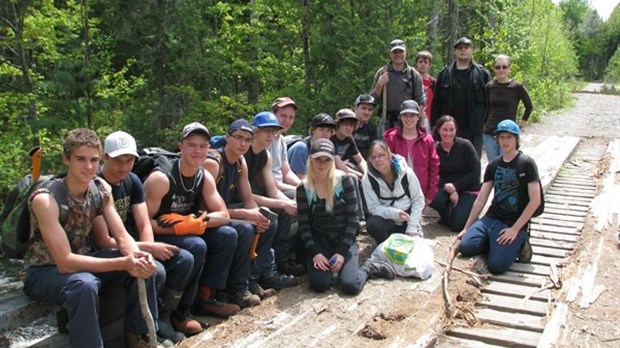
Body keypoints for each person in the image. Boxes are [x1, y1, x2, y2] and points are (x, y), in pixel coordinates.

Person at [23, 128, 159, 348]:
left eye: (94, 160)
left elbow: (122, 236)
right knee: (84, 285)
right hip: (44, 271)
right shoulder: (46, 200)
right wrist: (123, 262)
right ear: (66, 160)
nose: (89, 167)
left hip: (83, 263)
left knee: (148, 267)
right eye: (81, 159)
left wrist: (139, 257)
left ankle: (139, 336)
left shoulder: (100, 189)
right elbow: (65, 262)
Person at [93, 131, 196, 343]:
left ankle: (164, 319)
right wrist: (146, 251)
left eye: (129, 160)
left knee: (184, 259)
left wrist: (150, 247)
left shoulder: (132, 181)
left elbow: (143, 222)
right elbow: (104, 240)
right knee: (153, 270)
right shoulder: (96, 186)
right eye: (118, 161)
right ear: (105, 158)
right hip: (105, 251)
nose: (124, 166)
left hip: (133, 243)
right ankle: (141, 334)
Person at [143, 122, 242, 320]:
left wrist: (196, 221)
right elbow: (143, 224)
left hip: (184, 228)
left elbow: (223, 215)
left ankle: (206, 298)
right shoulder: (161, 179)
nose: (198, 151)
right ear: (181, 146)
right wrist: (181, 227)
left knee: (228, 235)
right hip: (156, 235)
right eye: (191, 145)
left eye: (203, 146)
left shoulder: (203, 176)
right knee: (196, 245)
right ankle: (177, 312)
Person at [203, 119, 297, 297]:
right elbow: (204, 210)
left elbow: (248, 200)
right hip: (208, 217)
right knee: (245, 229)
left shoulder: (240, 162)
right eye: (238, 137)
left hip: (227, 212)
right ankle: (237, 289)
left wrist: (259, 217)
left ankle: (251, 281)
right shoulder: (214, 163)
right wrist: (246, 214)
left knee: (267, 223)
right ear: (227, 137)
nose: (243, 143)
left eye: (247, 139)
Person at [296, 139, 395, 295]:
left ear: (333, 160)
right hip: (320, 241)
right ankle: (331, 270)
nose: (322, 164)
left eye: (327, 159)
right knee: (320, 284)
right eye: (318, 159)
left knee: (351, 285)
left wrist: (342, 252)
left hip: (344, 240)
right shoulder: (303, 188)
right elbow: (304, 224)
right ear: (311, 160)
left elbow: (353, 219)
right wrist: (315, 252)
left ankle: (370, 267)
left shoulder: (345, 180)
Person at [456, 120, 540, 274]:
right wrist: (467, 227)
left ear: (516, 139)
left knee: (497, 266)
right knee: (466, 247)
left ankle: (520, 243)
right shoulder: (494, 165)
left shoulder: (526, 164)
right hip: (491, 218)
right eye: (502, 137)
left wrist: (515, 229)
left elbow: (535, 201)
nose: (505, 141)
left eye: (509, 137)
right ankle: (495, 243)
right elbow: (481, 198)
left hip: (513, 222)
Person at [244, 112, 302, 277]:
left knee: (285, 210)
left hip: (255, 198)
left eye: (273, 131)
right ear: (255, 131)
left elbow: (272, 189)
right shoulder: (243, 154)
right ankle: (266, 272)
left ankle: (281, 261)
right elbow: (245, 195)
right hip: (240, 202)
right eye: (266, 131)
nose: (271, 135)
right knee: (271, 218)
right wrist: (284, 204)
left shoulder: (265, 155)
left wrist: (290, 204)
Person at [431, 37, 492, 158]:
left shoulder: (482, 74)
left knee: (473, 160)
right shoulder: (445, 73)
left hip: (474, 128)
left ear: (472, 50)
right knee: (448, 160)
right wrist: (435, 124)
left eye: (466, 47)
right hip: (449, 129)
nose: (463, 50)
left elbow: (490, 102)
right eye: (460, 48)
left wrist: (486, 123)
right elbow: (436, 101)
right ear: (455, 51)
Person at [362, 140, 425, 244]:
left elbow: (418, 200)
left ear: (389, 155)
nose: (377, 160)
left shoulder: (406, 173)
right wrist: (394, 213)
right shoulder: (368, 179)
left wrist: (412, 227)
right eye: (373, 157)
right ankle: (383, 242)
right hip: (388, 219)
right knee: (373, 224)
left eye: (381, 155)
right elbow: (373, 207)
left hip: (408, 218)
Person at [429, 116, 481, 232]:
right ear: (438, 130)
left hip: (468, 188)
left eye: (451, 130)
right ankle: (448, 213)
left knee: (457, 226)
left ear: (456, 130)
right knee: (431, 196)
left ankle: (458, 215)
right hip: (446, 188)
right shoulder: (435, 149)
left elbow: (475, 172)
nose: (448, 133)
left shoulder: (465, 145)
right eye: (445, 129)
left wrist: (456, 186)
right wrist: (450, 188)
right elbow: (434, 173)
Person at [384, 100, 439, 205]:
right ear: (400, 117)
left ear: (418, 117)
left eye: (412, 115)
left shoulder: (428, 140)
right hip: (395, 192)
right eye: (405, 115)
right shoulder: (391, 138)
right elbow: (385, 166)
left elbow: (434, 168)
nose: (409, 119)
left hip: (420, 191)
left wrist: (430, 194)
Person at [483, 54, 534, 161]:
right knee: (493, 165)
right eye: (498, 67)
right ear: (493, 69)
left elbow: (529, 106)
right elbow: (486, 108)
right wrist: (483, 125)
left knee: (507, 163)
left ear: (509, 68)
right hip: (490, 132)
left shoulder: (517, 87)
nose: (501, 70)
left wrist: (521, 125)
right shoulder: (489, 86)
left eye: (504, 67)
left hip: (509, 132)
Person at [370, 39, 426, 132]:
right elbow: (373, 101)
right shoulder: (382, 72)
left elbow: (420, 102)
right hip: (386, 121)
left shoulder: (413, 74)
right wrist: (380, 84)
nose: (398, 55)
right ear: (390, 54)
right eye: (395, 52)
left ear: (405, 53)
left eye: (401, 51)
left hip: (407, 121)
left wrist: (420, 125)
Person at [288, 113, 337, 180]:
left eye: (328, 130)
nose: (325, 133)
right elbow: (301, 179)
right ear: (312, 130)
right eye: (321, 129)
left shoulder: (327, 148)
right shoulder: (301, 148)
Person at [269, 97, 302, 195]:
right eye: (283, 116)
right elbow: (264, 180)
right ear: (273, 115)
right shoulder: (264, 140)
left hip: (280, 187)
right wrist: (298, 190)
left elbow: (287, 172)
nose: (287, 121)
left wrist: (303, 185)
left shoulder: (282, 140)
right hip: (268, 190)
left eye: (291, 117)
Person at [330, 108, 368, 179]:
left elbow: (360, 160)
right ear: (338, 125)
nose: (349, 128)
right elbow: (339, 165)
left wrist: (366, 173)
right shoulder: (332, 139)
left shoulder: (349, 139)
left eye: (351, 125)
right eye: (345, 124)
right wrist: (360, 175)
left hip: (344, 167)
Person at [352, 94, 378, 160]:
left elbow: (375, 148)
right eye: (363, 108)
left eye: (370, 109)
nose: (367, 112)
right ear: (355, 108)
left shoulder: (372, 127)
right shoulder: (346, 124)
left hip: (367, 164)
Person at [415, 50, 436, 130]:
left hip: (430, 120)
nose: (423, 64)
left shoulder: (434, 83)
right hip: (413, 120)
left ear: (429, 65)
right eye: (420, 61)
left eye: (425, 62)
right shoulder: (411, 81)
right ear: (416, 63)